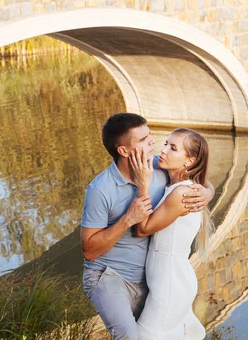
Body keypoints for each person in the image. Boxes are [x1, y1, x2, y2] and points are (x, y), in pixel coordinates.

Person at [81, 113, 215, 339]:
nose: (153, 143)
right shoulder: (100, 190)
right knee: (129, 335)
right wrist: (127, 219)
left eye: (150, 135)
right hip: (109, 275)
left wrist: (207, 191)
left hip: (150, 277)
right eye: (143, 140)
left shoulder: (159, 166)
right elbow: (89, 250)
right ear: (124, 151)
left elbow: (190, 174)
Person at [130, 128, 210, 339]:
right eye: (165, 143)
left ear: (189, 161)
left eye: (173, 148)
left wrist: (143, 185)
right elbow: (205, 182)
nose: (163, 150)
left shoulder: (181, 193)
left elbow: (142, 229)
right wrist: (209, 191)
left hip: (170, 285)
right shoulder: (181, 185)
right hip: (172, 280)